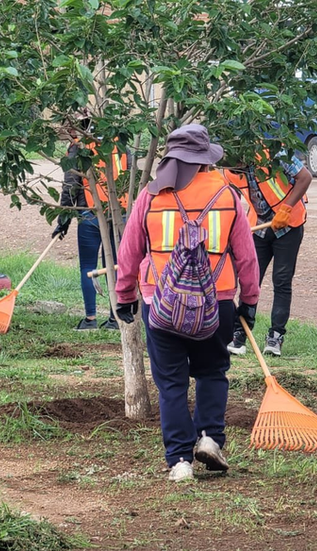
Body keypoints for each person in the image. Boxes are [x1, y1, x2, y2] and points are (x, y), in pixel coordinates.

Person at [115, 124, 260, 482]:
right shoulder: (227, 195)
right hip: (217, 304)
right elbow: (246, 256)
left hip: (159, 305)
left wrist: (124, 296)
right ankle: (210, 438)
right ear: (205, 160)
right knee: (212, 372)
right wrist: (250, 301)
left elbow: (130, 250)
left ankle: (180, 461)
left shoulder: (150, 197)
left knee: (171, 383)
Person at [223, 150, 311, 356]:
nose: (235, 170)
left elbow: (305, 177)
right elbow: (228, 201)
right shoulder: (228, 171)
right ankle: (239, 335)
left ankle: (275, 336)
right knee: (249, 281)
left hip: (289, 224)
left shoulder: (272, 153)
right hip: (259, 226)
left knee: (281, 280)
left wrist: (286, 209)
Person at [52, 122, 127, 331]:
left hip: (90, 213)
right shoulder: (122, 144)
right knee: (114, 266)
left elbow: (71, 184)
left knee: (88, 266)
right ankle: (115, 319)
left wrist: (63, 219)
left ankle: (90, 319)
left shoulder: (78, 148)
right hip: (120, 214)